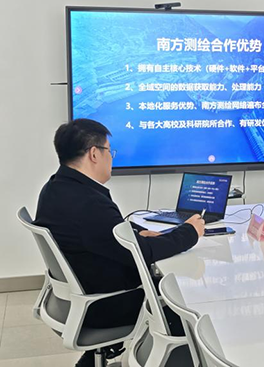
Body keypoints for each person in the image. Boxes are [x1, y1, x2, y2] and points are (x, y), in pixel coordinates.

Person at [35, 119, 206, 366]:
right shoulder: (89, 203)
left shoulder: (55, 188)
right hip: (104, 303)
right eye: (109, 151)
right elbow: (141, 254)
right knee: (184, 303)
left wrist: (136, 234)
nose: (111, 158)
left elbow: (105, 235)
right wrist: (190, 232)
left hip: (79, 294)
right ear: (94, 154)